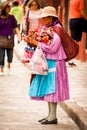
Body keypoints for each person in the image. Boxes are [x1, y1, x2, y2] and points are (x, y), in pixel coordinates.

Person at [28, 6, 70, 124]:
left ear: (51, 17)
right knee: (48, 88)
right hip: (49, 62)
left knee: (53, 88)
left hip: (55, 62)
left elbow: (53, 47)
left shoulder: (57, 30)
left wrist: (38, 43)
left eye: (45, 17)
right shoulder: (47, 28)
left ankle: (53, 116)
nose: (43, 19)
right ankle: (50, 115)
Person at [0, 1, 21, 76]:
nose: (9, 9)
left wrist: (19, 35)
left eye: (10, 7)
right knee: (1, 55)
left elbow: (15, 26)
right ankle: (1, 69)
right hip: (1, 39)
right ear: (4, 8)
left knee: (10, 55)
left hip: (10, 38)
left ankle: (9, 65)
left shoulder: (11, 17)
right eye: (8, 7)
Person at [69, 0, 87, 66]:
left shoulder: (71, 0)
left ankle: (71, 60)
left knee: (74, 41)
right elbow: (82, 12)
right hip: (79, 20)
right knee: (75, 41)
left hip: (72, 21)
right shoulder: (81, 0)